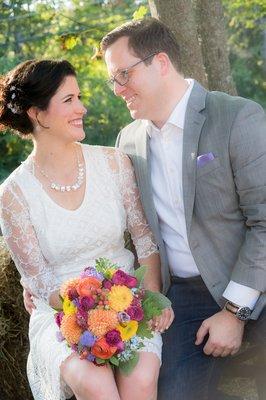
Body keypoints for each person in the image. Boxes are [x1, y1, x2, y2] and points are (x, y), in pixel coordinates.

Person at [100, 18, 266, 400]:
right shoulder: (129, 141)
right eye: (113, 79)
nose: (117, 89)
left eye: (123, 74)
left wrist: (234, 311)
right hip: (186, 295)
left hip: (253, 279)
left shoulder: (237, 117)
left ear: (160, 63)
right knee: (171, 392)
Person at [0, 59, 174, 400]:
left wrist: (150, 297)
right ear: (37, 113)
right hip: (62, 314)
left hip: (131, 302)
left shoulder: (113, 162)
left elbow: (144, 239)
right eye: (68, 100)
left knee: (140, 379)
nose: (82, 107)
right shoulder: (13, 194)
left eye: (79, 97)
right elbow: (39, 281)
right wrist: (91, 316)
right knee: (96, 385)